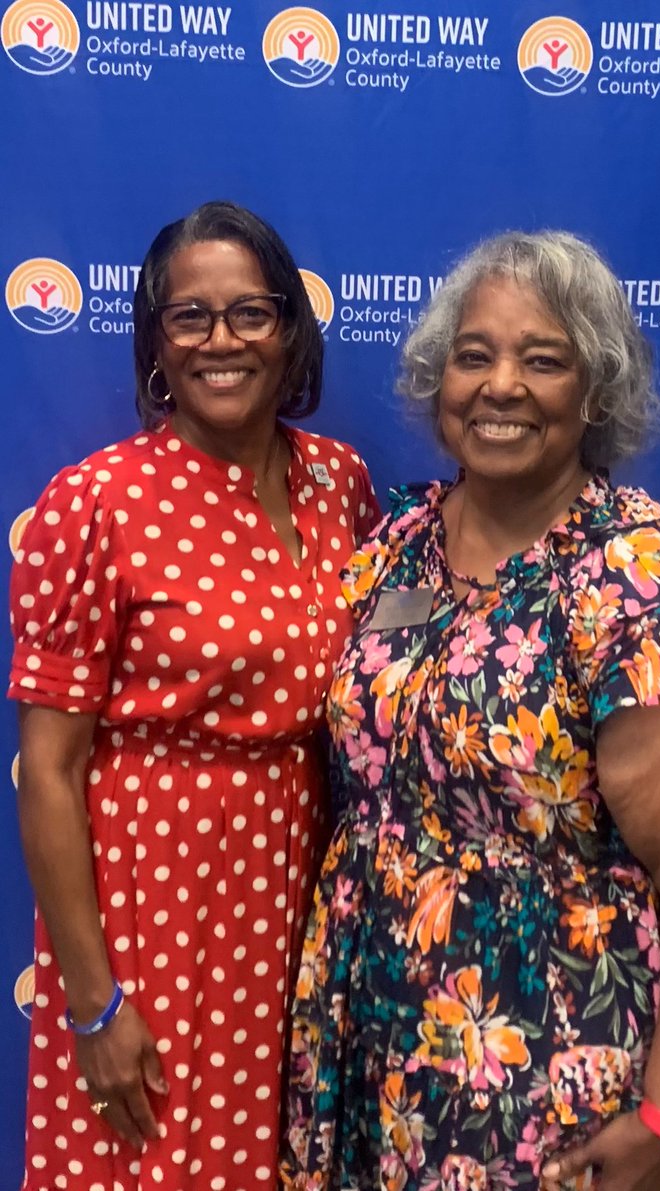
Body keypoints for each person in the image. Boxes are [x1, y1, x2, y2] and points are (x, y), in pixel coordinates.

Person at [280, 230, 660, 1190]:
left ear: (594, 393)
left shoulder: (646, 579)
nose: (500, 384)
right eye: (474, 355)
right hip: (382, 1048)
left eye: (542, 359)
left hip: (567, 1071)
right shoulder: (397, 546)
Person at [11, 200, 380, 1188]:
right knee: (152, 1157)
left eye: (251, 313)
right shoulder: (97, 505)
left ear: (291, 332)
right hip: (150, 906)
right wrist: (93, 1004)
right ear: (156, 342)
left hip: (297, 890)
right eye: (190, 317)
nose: (222, 341)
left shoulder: (340, 485)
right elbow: (47, 771)